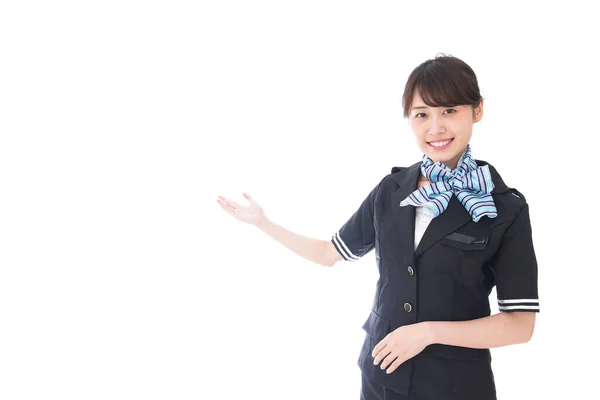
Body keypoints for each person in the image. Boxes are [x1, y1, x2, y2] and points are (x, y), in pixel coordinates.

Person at [216, 54, 539, 400]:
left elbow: (520, 325)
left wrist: (426, 333)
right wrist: (263, 223)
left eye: (449, 111)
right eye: (421, 115)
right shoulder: (391, 190)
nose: (435, 128)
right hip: (381, 378)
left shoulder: (505, 208)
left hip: (455, 386)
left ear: (477, 110)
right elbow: (329, 253)